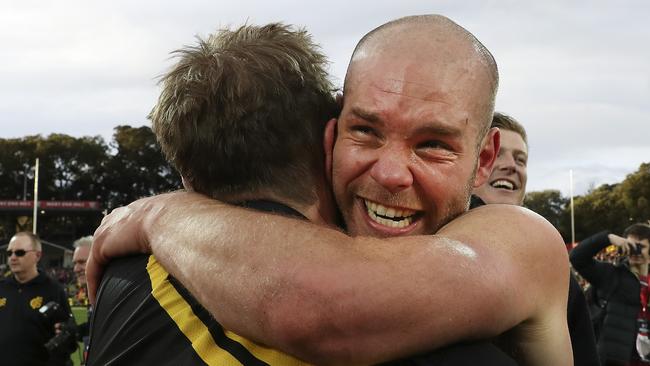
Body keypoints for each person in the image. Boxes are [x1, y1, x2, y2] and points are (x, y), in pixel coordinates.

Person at [89, 15, 572, 365]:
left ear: (483, 159)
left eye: (433, 145)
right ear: (331, 136)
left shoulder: (518, 239)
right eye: (366, 131)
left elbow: (322, 307)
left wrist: (161, 215)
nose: (390, 174)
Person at [473, 112, 599, 365]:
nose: (512, 165)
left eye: (521, 159)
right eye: (496, 154)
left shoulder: (552, 267)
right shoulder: (420, 237)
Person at [570, 223, 650, 365]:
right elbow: (577, 258)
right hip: (612, 359)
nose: (635, 251)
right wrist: (608, 238)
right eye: (631, 246)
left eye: (641, 247)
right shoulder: (611, 275)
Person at [0, 232, 76, 366]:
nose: (12, 257)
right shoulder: (2, 288)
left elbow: (68, 339)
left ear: (37, 255)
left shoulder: (54, 290)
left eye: (19, 252)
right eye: (9, 253)